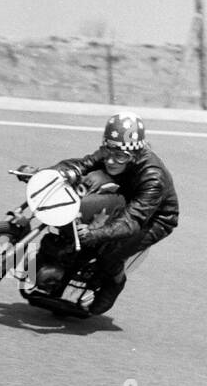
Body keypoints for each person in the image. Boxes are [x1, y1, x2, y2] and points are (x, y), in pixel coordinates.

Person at [25, 111, 179, 315]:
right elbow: (81, 165)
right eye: (108, 152)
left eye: (121, 156)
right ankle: (60, 260)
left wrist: (93, 234)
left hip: (153, 218)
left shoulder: (153, 178)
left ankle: (115, 282)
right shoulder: (112, 152)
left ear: (134, 154)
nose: (112, 161)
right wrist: (45, 174)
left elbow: (131, 221)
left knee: (110, 253)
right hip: (123, 197)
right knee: (77, 206)